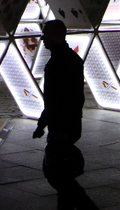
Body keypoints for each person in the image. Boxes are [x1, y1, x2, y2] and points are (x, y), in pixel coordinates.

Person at [32, 20, 97, 210]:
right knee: (60, 173)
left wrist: (61, 128)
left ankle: (88, 207)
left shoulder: (64, 61)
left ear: (57, 35)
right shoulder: (64, 59)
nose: (42, 38)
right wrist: (42, 124)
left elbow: (69, 98)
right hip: (63, 125)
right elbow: (54, 99)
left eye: (46, 34)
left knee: (56, 174)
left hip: (63, 126)